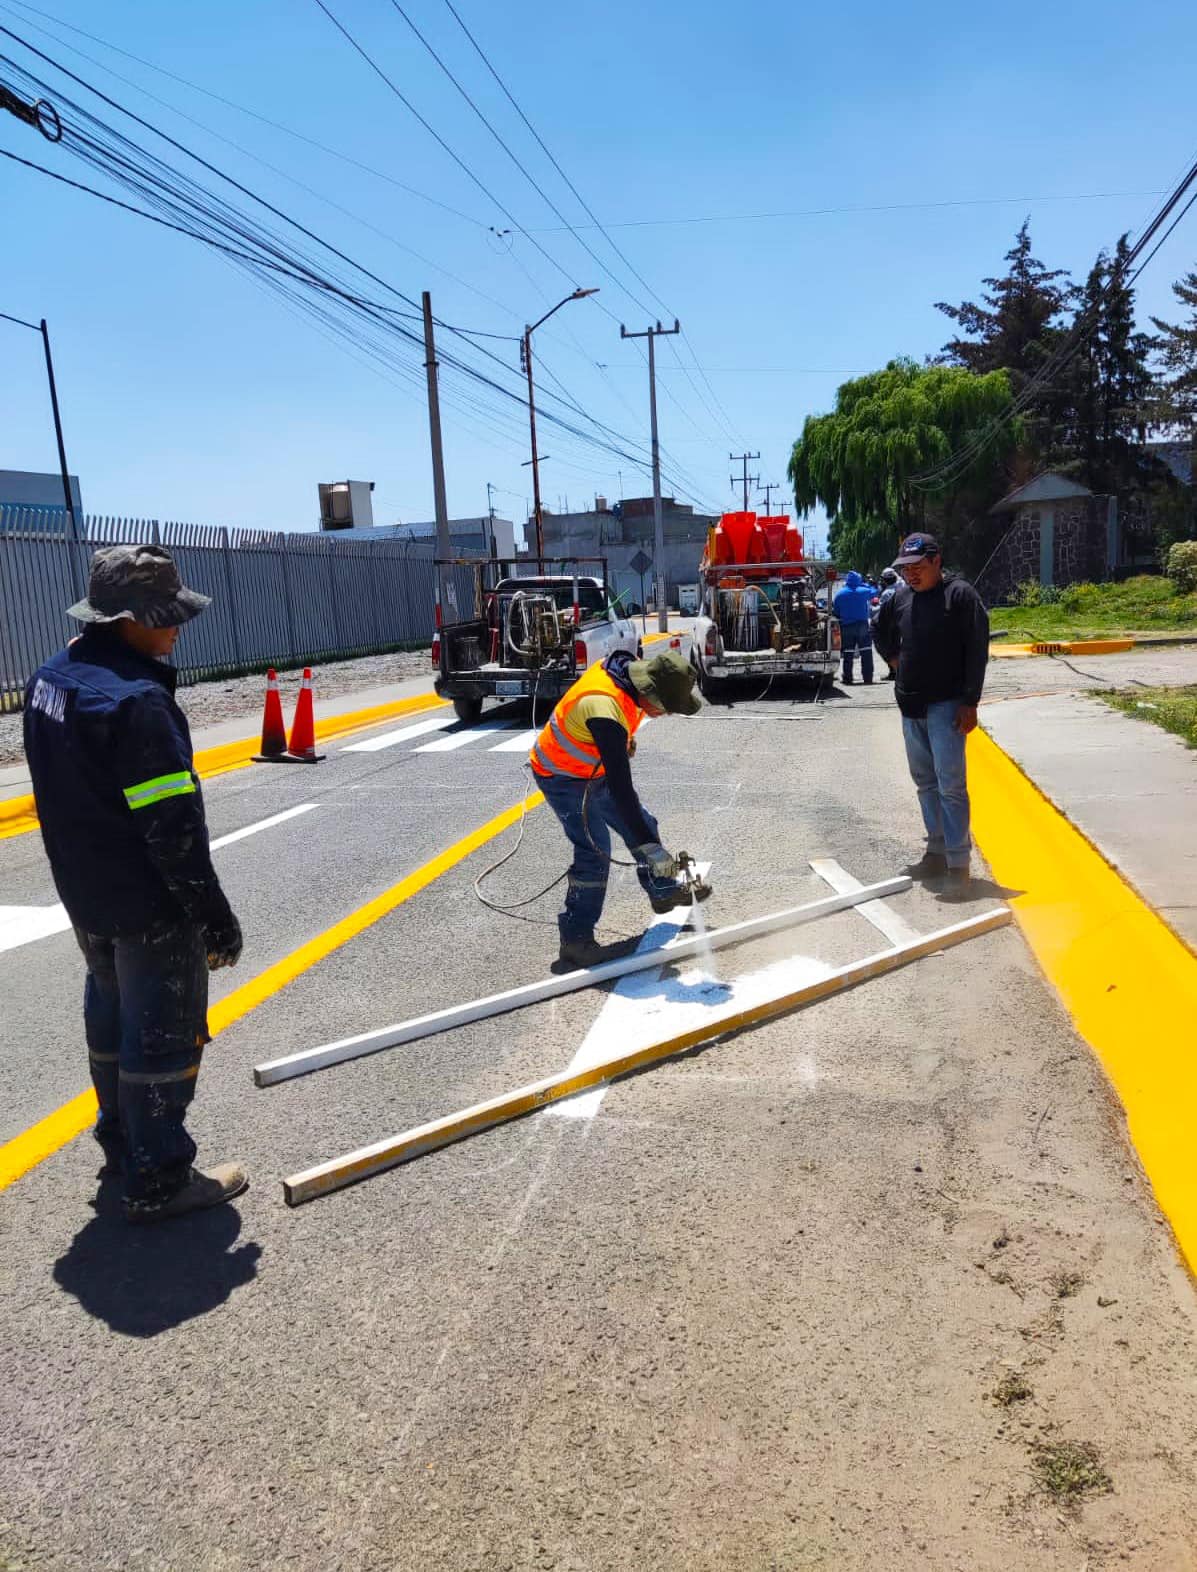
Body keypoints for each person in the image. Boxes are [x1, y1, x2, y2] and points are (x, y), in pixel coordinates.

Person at [24, 544, 247, 1222]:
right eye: (164, 616)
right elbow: (173, 831)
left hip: (84, 892)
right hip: (147, 900)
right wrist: (213, 918)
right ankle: (160, 1178)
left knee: (112, 1010)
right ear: (124, 619)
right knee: (163, 1033)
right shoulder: (138, 704)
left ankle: (121, 1145)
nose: (176, 627)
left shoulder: (52, 679)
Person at [529, 648, 702, 969]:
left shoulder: (629, 680)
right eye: (666, 707)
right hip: (561, 775)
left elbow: (615, 733)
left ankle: (661, 890)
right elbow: (623, 793)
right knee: (594, 850)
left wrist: (620, 742)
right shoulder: (605, 707)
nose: (666, 714)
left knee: (643, 823)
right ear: (650, 690)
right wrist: (654, 851)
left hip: (593, 768)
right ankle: (575, 941)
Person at [873, 533, 990, 898]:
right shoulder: (902, 598)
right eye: (906, 569)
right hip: (912, 706)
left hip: (947, 707)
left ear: (937, 561)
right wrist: (893, 657)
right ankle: (936, 853)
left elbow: (977, 649)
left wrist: (970, 701)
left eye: (918, 568)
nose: (911, 575)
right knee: (925, 783)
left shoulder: (960, 596)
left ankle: (958, 864)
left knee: (950, 785)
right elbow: (879, 628)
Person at [832, 570, 875, 684]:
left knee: (848, 653)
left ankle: (847, 677)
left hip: (847, 626)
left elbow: (836, 611)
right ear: (858, 580)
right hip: (862, 625)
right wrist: (863, 584)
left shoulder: (840, 594)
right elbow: (875, 591)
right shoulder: (864, 591)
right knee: (866, 651)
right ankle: (868, 677)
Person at [872, 567, 901, 680]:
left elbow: (881, 611)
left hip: (887, 625)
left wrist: (873, 607)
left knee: (887, 648)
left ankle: (894, 671)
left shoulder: (887, 593)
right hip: (898, 623)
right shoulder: (902, 587)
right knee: (896, 647)